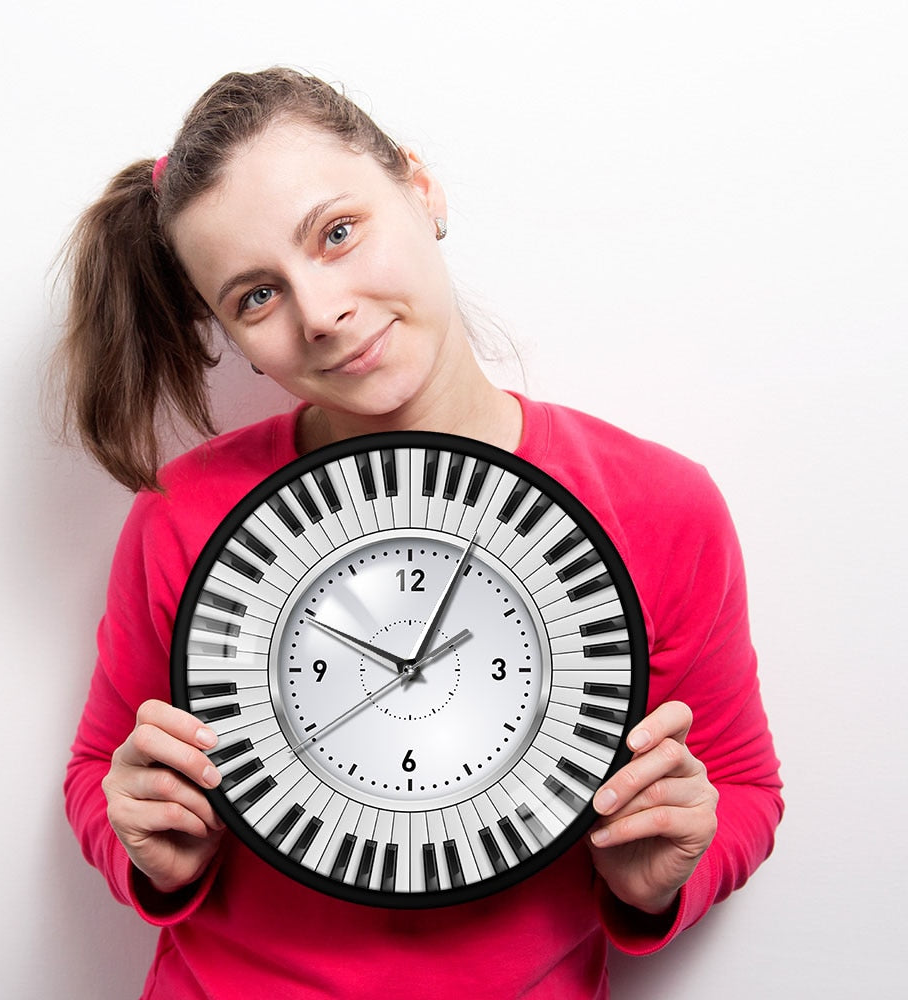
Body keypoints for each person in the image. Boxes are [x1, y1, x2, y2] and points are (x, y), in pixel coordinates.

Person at [59, 67, 783, 999]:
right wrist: (150, 844)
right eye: (255, 296)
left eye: (338, 233)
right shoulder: (183, 513)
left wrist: (664, 875)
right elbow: (97, 769)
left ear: (420, 187)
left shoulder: (660, 507)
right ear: (233, 338)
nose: (321, 313)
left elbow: (743, 790)